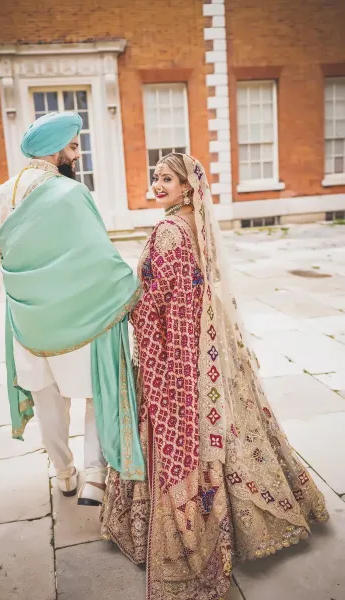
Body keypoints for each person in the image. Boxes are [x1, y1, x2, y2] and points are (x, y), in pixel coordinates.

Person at [101, 153, 329, 600]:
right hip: (202, 349)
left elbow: (155, 299)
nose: (157, 184)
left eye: (166, 178)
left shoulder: (168, 231)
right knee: (233, 427)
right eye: (155, 177)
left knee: (190, 434)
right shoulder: (196, 223)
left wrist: (121, 309)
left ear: (187, 186)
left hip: (175, 356)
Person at [0, 112, 145, 506]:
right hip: (79, 316)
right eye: (73, 147)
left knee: (46, 397)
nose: (77, 154)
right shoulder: (72, 193)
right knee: (92, 394)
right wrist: (130, 287)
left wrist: (31, 275)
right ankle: (94, 479)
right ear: (56, 152)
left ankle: (64, 474)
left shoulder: (2, 193)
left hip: (29, 320)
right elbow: (97, 255)